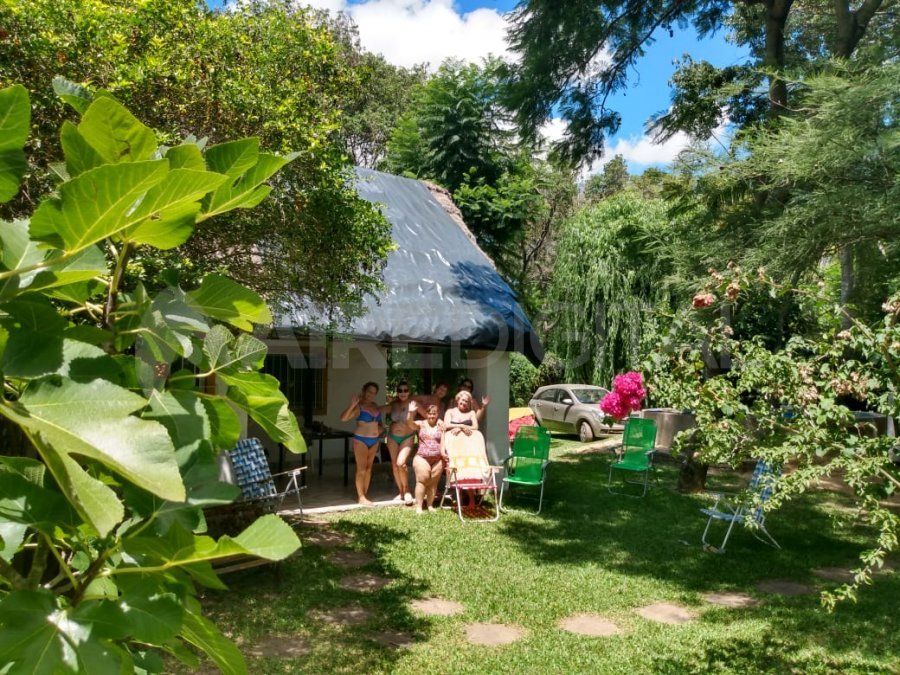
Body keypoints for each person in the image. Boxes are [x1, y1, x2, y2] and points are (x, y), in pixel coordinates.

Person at [340, 381, 384, 506]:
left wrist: (380, 430)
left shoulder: (375, 406)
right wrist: (352, 405)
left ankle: (364, 495)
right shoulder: (358, 406)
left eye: (374, 393)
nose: (371, 394)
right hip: (361, 440)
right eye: (370, 392)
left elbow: (380, 423)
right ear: (364, 391)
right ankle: (361, 497)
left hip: (374, 441)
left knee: (369, 469)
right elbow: (343, 418)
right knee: (361, 469)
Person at [406, 401, 447, 514]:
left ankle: (430, 505)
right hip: (422, 458)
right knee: (422, 481)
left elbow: (443, 442)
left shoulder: (441, 425)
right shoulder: (421, 424)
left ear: (437, 414)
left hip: (438, 459)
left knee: (433, 483)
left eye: (434, 413)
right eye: (430, 413)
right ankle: (419, 506)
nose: (432, 415)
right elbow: (410, 424)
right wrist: (410, 412)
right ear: (426, 414)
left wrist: (443, 454)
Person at [385, 380, 415, 505]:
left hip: (407, 436)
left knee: (401, 463)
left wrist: (438, 422)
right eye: (400, 390)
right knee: (394, 465)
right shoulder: (393, 404)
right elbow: (377, 410)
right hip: (392, 437)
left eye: (405, 390)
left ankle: (407, 489)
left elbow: (427, 414)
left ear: (409, 392)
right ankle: (401, 491)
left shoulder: (414, 403)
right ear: (397, 392)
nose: (403, 392)